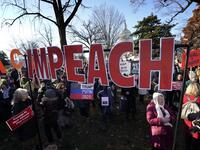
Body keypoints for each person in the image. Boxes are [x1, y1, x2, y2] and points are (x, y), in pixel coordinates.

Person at [182, 83, 200, 150]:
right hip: (196, 121)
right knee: (196, 140)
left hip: (186, 120)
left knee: (187, 139)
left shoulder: (184, 97)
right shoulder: (198, 99)